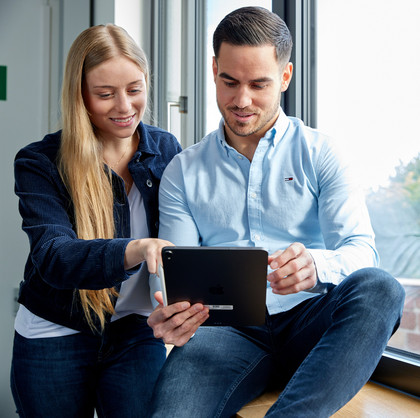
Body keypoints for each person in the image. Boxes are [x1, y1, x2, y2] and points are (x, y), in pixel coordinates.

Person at [147, 7, 406, 417]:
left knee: (382, 288)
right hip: (225, 333)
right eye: (229, 82)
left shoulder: (322, 153)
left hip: (311, 322)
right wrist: (172, 314)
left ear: (284, 77)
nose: (241, 100)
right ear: (214, 69)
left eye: (259, 84)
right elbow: (175, 272)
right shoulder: (183, 170)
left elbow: (362, 252)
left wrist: (316, 266)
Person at [11, 24, 182, 418]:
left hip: (135, 330)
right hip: (55, 331)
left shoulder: (166, 149)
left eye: (135, 89)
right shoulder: (39, 162)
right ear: (81, 97)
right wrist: (137, 249)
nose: (124, 107)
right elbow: (54, 256)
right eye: (105, 94)